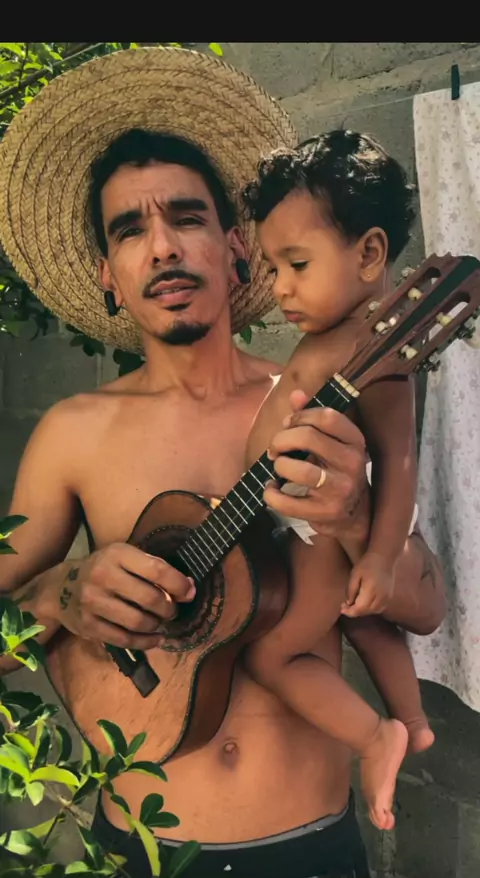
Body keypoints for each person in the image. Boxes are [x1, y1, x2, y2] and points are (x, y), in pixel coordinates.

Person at [0, 48, 445, 878]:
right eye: (130, 231)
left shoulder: (319, 403)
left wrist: (355, 517)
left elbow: (424, 608)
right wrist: (61, 590)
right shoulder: (70, 433)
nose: (162, 247)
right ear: (107, 275)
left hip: (313, 844)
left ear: (236, 247)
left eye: (187, 218)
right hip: (142, 850)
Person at [239, 130, 434, 832]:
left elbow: (400, 460)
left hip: (321, 526)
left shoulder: (376, 349)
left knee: (273, 652)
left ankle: (376, 736)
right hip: (303, 515)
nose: (280, 287)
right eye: (272, 267)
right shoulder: (333, 332)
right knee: (364, 620)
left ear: (370, 254)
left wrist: (380, 555)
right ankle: (413, 719)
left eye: (296, 263)